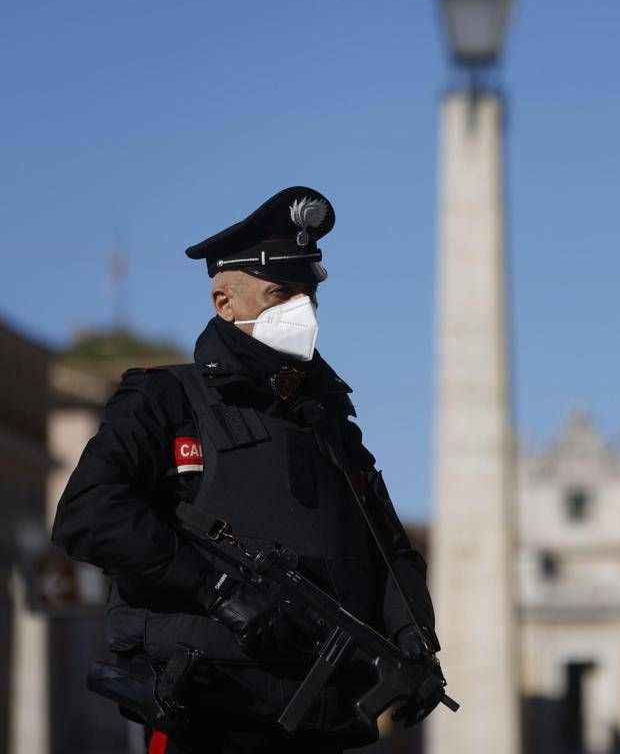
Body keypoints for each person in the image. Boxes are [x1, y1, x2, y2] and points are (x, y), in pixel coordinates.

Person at [51, 186, 442, 753]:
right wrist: (214, 589)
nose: (300, 310)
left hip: (321, 723)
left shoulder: (329, 419)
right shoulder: (165, 399)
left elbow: (389, 552)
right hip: (211, 713)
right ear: (224, 303)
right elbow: (88, 513)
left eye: (308, 294)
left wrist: (413, 639)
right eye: (280, 292)